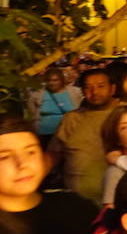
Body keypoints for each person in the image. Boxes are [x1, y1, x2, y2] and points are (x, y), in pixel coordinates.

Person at [47, 68, 120, 203]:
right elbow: (54, 153)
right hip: (75, 201)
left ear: (113, 88)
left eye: (101, 86)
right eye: (88, 87)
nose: (95, 92)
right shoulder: (72, 118)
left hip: (116, 201)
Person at [28, 67, 83, 146]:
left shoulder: (75, 92)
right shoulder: (38, 94)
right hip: (45, 134)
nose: (51, 83)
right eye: (49, 80)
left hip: (69, 134)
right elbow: (33, 111)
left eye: (55, 80)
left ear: (61, 80)